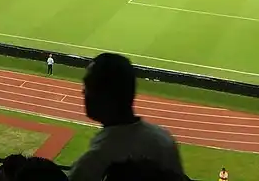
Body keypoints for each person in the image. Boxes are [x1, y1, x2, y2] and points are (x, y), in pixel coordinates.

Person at [68, 53, 183, 181]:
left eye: (88, 86)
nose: (83, 92)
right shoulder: (164, 141)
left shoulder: (94, 161)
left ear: (106, 95)